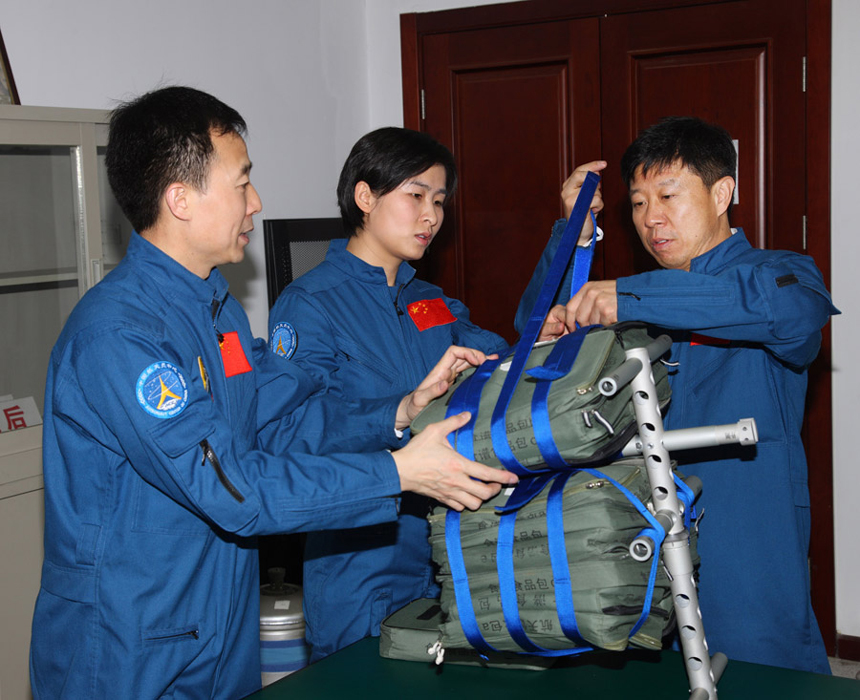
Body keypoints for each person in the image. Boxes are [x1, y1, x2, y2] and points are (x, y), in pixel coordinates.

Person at [28, 87, 517, 700]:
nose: (257, 203)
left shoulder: (219, 312)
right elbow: (232, 487)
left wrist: (399, 412)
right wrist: (395, 474)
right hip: (127, 640)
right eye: (242, 183)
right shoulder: (121, 334)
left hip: (219, 626)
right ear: (180, 199)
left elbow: (282, 424)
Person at [519, 116, 837, 673]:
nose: (651, 219)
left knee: (763, 678)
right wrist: (571, 235)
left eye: (668, 195)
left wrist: (630, 296)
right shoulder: (630, 298)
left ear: (723, 192)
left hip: (746, 544)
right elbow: (532, 342)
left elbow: (793, 313)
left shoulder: (778, 273)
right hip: (636, 548)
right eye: (638, 203)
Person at [267, 127, 516, 661]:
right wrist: (399, 411)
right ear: (365, 197)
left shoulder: (430, 300)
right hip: (360, 552)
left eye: (440, 201)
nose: (432, 216)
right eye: (416, 195)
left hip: (451, 544)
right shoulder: (310, 304)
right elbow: (290, 430)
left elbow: (502, 362)